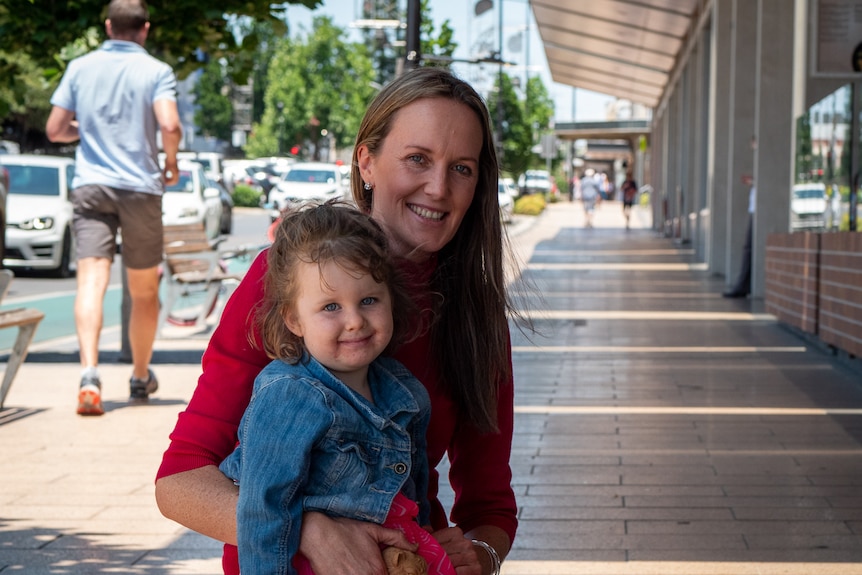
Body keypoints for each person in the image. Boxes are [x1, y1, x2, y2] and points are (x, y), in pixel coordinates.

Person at [156, 67, 516, 575]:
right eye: (418, 159)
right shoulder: (285, 279)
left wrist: (480, 555)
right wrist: (306, 529)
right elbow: (179, 480)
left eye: (462, 168)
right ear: (366, 162)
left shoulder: (475, 314)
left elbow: (490, 506)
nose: (439, 188)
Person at [218, 201, 454, 575]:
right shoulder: (289, 397)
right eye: (331, 307)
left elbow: (416, 491)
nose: (355, 321)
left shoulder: (405, 392)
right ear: (294, 319)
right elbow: (263, 512)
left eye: (369, 300)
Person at [45, 0, 181, 416]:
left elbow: (54, 129)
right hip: (140, 189)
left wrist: (89, 131)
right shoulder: (156, 71)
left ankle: (89, 374)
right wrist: (170, 163)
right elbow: (170, 124)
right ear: (145, 29)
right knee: (143, 292)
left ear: (107, 26)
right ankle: (140, 376)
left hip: (91, 186)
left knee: (91, 280)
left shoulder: (80, 68)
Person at [723, 177, 755, 298]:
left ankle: (743, 285)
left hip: (757, 211)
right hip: (754, 210)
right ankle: (742, 284)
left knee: (749, 248)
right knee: (748, 248)